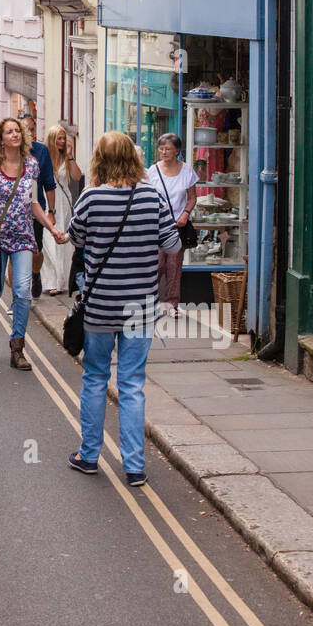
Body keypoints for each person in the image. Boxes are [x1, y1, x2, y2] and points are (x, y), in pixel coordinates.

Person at [65, 131, 180, 486]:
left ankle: (89, 455)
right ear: (134, 158)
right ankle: (134, 466)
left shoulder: (91, 197)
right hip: (140, 309)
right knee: (131, 385)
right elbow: (172, 245)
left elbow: (76, 239)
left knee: (96, 378)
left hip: (99, 306)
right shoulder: (151, 196)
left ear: (99, 159)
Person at [0, 118, 62, 370]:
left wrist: (51, 227)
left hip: (23, 236)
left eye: (17, 131)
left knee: (22, 291)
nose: (15, 134)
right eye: (9, 132)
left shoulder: (31, 165)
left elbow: (33, 202)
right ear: (1, 139)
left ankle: (17, 348)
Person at [146, 133, 198, 319]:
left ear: (177, 151)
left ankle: (172, 305)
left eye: (168, 149)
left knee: (174, 266)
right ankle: (150, 303)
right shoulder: (152, 171)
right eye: (161, 148)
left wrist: (185, 214)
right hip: (157, 225)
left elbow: (192, 197)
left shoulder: (187, 171)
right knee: (156, 265)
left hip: (177, 226)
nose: (164, 152)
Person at [41, 124, 83, 295]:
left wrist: (70, 156)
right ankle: (51, 281)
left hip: (63, 203)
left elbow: (77, 177)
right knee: (48, 241)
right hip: (47, 201)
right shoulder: (44, 157)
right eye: (59, 138)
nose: (62, 141)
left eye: (63, 138)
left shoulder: (66, 158)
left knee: (63, 242)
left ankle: (61, 282)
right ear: (52, 140)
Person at [22, 115, 56, 298]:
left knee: (36, 251)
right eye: (24, 129)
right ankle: (18, 297)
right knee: (16, 253)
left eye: (31, 129)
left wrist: (51, 211)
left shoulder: (41, 152)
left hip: (36, 211)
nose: (28, 133)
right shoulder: (8, 153)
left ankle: (35, 274)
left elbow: (48, 185)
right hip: (15, 215)